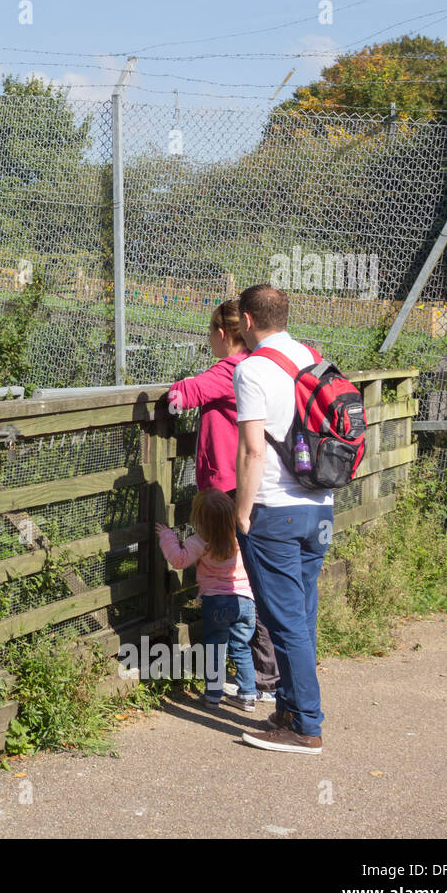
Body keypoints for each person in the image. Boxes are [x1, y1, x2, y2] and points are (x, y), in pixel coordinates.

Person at [231, 283, 333, 755]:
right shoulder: (313, 357)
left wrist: (242, 512)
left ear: (247, 322)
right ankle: (291, 708)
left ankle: (306, 726)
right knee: (302, 615)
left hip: (275, 509)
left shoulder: (251, 369)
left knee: (285, 620)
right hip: (320, 509)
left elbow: (253, 450)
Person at [166, 301, 280, 702]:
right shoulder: (255, 366)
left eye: (210, 331)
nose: (208, 338)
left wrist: (177, 388)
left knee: (239, 576)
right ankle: (262, 677)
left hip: (225, 490)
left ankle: (262, 679)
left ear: (223, 333)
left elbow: (183, 396)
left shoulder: (229, 370)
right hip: (241, 486)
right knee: (250, 578)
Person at [156, 489, 257, 710]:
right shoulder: (242, 535)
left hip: (216, 602)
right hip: (245, 600)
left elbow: (179, 560)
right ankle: (248, 695)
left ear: (199, 518)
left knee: (215, 647)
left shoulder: (199, 541)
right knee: (241, 647)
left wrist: (167, 537)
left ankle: (213, 695)